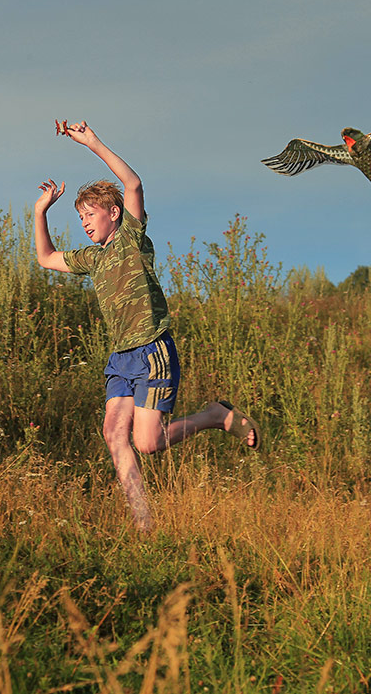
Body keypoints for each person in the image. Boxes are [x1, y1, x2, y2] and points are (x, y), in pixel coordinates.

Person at [33, 119, 261, 532]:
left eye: (90, 213)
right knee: (113, 434)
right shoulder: (93, 257)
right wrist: (39, 211)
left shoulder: (130, 238)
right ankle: (144, 523)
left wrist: (92, 143)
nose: (84, 222)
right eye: (80, 216)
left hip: (153, 348)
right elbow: (47, 258)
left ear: (113, 213)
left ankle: (215, 416)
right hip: (121, 358)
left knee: (148, 443)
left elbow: (133, 184)